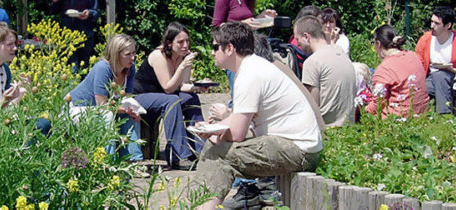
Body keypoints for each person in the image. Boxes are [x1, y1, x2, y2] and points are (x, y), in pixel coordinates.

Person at [193, 22, 322, 209]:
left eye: (215, 47)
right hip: (295, 143)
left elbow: (236, 133)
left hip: (298, 149)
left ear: (229, 49)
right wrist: (213, 130)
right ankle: (201, 204)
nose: (212, 52)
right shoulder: (252, 66)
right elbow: (239, 119)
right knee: (214, 146)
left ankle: (203, 206)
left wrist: (215, 133)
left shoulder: (249, 74)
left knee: (220, 154)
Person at [133, 22, 205, 169]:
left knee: (191, 98)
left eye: (187, 41)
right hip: (141, 96)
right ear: (169, 43)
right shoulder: (158, 56)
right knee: (171, 101)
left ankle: (199, 149)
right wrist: (183, 66)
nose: (185, 45)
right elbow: (168, 88)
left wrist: (198, 87)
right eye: (180, 42)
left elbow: (183, 85)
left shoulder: (183, 56)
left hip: (163, 95)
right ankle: (178, 155)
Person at [68, 34, 143, 161]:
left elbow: (127, 99)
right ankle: (109, 160)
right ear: (116, 54)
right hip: (80, 108)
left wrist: (132, 110)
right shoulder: (103, 68)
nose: (133, 57)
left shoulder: (130, 68)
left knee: (131, 117)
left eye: (134, 53)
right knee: (107, 115)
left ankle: (133, 160)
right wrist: (125, 109)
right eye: (127, 54)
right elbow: (102, 104)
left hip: (101, 109)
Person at [297, 16, 357, 127]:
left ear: (306, 37)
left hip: (327, 131)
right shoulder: (340, 52)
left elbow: (312, 107)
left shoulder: (312, 62)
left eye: (298, 39)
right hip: (349, 128)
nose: (298, 44)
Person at [415, 6, 456, 114]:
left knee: (440, 75)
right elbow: (418, 63)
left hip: (453, 79)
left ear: (448, 25)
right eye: (432, 22)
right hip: (431, 79)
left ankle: (444, 114)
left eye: (436, 23)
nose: (432, 26)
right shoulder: (425, 40)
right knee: (420, 88)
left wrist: (452, 69)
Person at [365, 25, 429, 118]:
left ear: (378, 44)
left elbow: (378, 103)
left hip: (398, 117)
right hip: (422, 114)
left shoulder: (384, 68)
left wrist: (362, 111)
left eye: (373, 43)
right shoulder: (413, 56)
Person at [49, 0, 100, 70]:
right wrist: (54, 2)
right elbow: (53, 12)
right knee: (71, 69)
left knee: (84, 68)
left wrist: (88, 13)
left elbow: (96, 11)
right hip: (67, 35)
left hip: (85, 35)